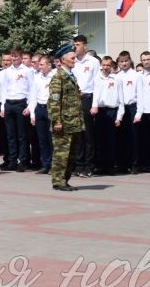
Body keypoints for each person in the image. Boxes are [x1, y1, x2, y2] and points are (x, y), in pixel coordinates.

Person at [49, 44, 84, 192]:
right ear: (63, 60)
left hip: (74, 122)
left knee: (71, 154)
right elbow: (54, 101)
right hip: (63, 123)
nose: (74, 60)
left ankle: (65, 180)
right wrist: (56, 120)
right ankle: (58, 181)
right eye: (72, 58)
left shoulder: (70, 76)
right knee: (61, 155)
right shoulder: (58, 77)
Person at [0, 46, 32, 171]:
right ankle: (12, 160)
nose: (14, 58)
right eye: (13, 56)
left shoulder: (27, 71)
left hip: (21, 103)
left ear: (21, 57)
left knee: (21, 135)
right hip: (9, 104)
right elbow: (4, 89)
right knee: (10, 135)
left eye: (17, 56)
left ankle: (23, 161)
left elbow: (31, 89)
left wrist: (29, 106)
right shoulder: (7, 72)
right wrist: (3, 106)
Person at [72, 35, 99, 176]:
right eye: (74, 44)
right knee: (77, 134)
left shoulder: (93, 62)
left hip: (88, 98)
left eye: (78, 44)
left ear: (85, 46)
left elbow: (97, 83)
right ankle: (79, 165)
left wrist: (94, 104)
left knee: (88, 135)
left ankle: (89, 166)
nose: (75, 47)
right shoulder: (73, 61)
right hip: (75, 100)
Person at [28, 54, 57, 175]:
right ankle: (45, 164)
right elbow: (33, 95)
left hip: (50, 109)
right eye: (39, 64)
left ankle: (53, 165)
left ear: (49, 65)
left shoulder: (55, 76)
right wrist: (32, 114)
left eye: (41, 64)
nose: (39, 67)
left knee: (51, 139)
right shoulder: (38, 77)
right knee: (42, 139)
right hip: (39, 109)